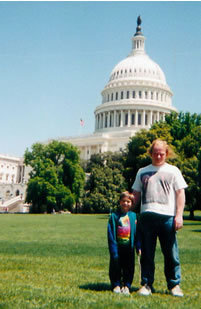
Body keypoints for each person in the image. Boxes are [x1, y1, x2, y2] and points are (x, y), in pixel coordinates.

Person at [132, 139, 187, 297]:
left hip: (167, 217)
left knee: (170, 253)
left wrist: (179, 215)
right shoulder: (142, 171)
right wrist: (127, 210)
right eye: (155, 153)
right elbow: (136, 194)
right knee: (147, 253)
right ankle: (147, 284)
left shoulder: (173, 171)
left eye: (161, 153)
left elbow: (180, 193)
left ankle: (174, 284)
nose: (158, 156)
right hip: (147, 216)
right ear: (150, 153)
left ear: (166, 153)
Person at [107, 191, 140, 295]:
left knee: (129, 267)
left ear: (132, 203)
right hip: (118, 247)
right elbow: (110, 232)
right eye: (123, 201)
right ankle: (116, 284)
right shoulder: (114, 216)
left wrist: (138, 246)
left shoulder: (134, 216)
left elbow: (137, 233)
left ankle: (127, 285)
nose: (125, 203)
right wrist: (113, 248)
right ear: (120, 202)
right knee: (116, 265)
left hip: (129, 248)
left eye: (128, 201)